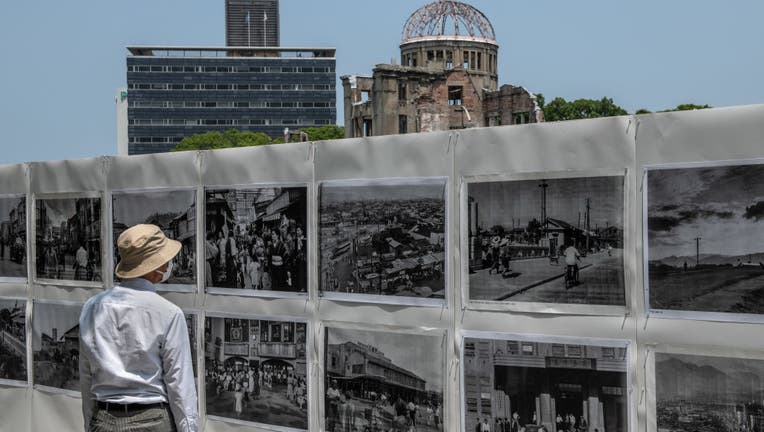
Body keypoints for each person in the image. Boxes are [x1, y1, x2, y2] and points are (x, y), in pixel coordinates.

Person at [79, 224, 198, 432]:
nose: (168, 263)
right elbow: (180, 386)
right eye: (165, 259)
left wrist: (90, 423)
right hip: (151, 420)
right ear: (155, 267)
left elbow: (87, 376)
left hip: (104, 419)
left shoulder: (92, 307)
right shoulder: (169, 313)